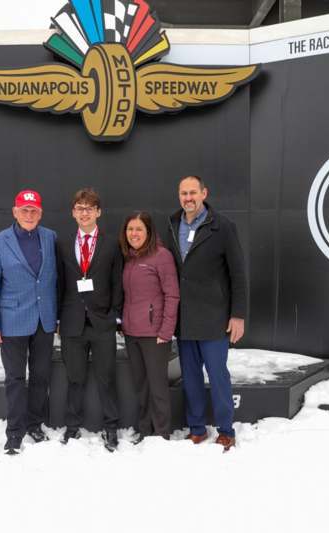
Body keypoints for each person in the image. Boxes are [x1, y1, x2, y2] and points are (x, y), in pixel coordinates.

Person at [167, 176, 247, 451]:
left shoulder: (222, 226)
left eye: (192, 193)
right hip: (185, 319)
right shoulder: (172, 224)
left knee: (218, 375)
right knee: (190, 377)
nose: (187, 198)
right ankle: (197, 428)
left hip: (214, 319)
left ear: (204, 193)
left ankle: (226, 430)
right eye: (183, 193)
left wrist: (237, 315)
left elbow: (238, 274)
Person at [0, 189, 58, 455]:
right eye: (24, 210)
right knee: (15, 378)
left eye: (34, 210)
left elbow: (54, 280)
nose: (29, 215)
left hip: (44, 321)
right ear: (15, 212)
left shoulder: (50, 238)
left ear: (40, 213)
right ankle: (14, 432)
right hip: (12, 321)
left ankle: (35, 424)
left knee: (40, 377)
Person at [56, 188, 123, 451]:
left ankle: (111, 427)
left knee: (106, 378)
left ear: (98, 212)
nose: (84, 212)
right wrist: (59, 319)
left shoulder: (111, 243)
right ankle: (72, 427)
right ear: (73, 212)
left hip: (102, 322)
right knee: (75, 379)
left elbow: (117, 282)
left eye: (89, 208)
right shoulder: (62, 243)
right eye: (80, 208)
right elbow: (59, 283)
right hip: (72, 323)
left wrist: (114, 316)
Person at [119, 212, 179, 442]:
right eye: (130, 229)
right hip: (132, 333)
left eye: (139, 229)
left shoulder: (161, 256)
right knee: (141, 386)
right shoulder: (129, 257)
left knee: (157, 387)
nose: (134, 234)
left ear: (149, 232)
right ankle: (145, 429)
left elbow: (172, 295)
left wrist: (166, 330)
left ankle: (162, 432)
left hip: (154, 335)